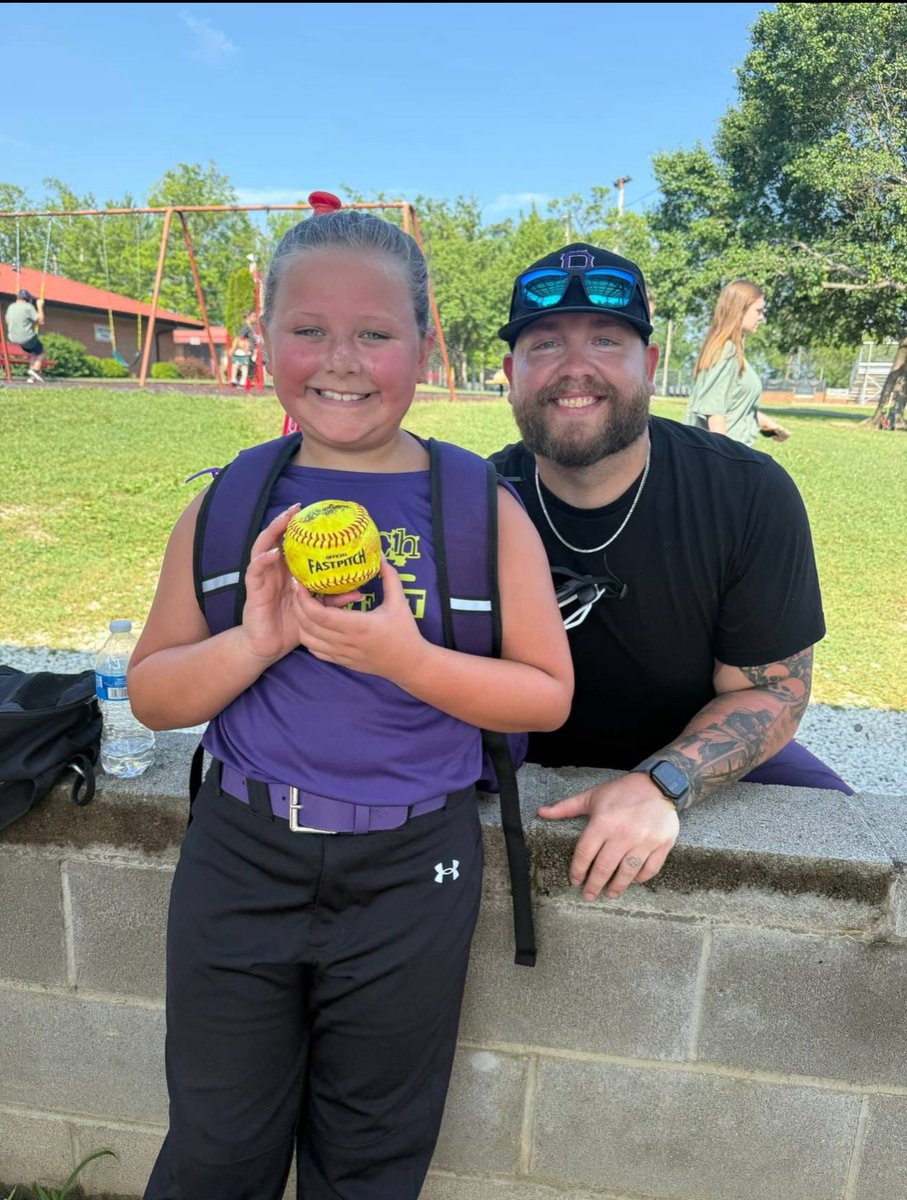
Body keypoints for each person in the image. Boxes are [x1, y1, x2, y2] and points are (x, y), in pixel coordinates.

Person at [129, 205, 573, 1200]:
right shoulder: (230, 502)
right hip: (243, 855)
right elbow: (155, 695)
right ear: (264, 340)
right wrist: (257, 639)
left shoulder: (476, 505)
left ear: (424, 347)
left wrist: (401, 657)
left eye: (375, 333)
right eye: (308, 330)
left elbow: (545, 693)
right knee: (215, 1145)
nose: (341, 359)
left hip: (414, 865)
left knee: (370, 1154)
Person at [489, 242, 852, 909]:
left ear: (650, 366)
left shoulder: (747, 492)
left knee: (848, 851)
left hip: (691, 739)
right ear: (511, 373)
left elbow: (772, 692)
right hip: (523, 759)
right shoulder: (470, 502)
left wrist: (662, 783)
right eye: (544, 346)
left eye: (605, 340)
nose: (574, 369)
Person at [685, 279, 789, 446]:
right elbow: (714, 413)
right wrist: (726, 462)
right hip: (723, 458)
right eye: (758, 311)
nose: (762, 317)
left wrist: (770, 425)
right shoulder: (726, 351)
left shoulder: (732, 351)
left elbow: (735, 405)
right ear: (739, 310)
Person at [6, 288, 46, 382]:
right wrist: (39, 306)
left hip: (13, 338)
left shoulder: (11, 307)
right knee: (42, 351)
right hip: (26, 338)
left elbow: (8, 322)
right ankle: (35, 370)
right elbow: (41, 321)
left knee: (33, 352)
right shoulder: (28, 307)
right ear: (27, 299)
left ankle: (32, 378)